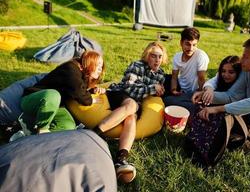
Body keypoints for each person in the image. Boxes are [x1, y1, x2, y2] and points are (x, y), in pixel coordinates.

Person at [93, 41, 167, 183]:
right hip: (119, 94)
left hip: (135, 104)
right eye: (153, 56)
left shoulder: (161, 75)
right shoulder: (137, 65)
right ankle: (93, 133)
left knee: (132, 118)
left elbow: (152, 96)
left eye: (160, 56)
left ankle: (121, 160)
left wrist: (159, 91)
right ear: (147, 55)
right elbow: (129, 89)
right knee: (132, 105)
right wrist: (152, 88)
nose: (157, 60)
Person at [12, 50, 105, 139]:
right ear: (89, 62)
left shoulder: (81, 74)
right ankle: (42, 129)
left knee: (67, 126)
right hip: (34, 99)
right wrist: (92, 100)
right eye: (98, 65)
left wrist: (93, 90)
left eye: (102, 66)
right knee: (54, 95)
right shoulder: (71, 68)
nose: (100, 69)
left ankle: (28, 135)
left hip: (56, 106)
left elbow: (79, 88)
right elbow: (79, 93)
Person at [164, 27, 209, 113]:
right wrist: (174, 90)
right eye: (187, 44)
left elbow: (201, 78)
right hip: (181, 87)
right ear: (181, 43)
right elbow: (174, 77)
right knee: (165, 78)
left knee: (167, 101)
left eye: (194, 45)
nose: (191, 48)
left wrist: (200, 94)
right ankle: (182, 103)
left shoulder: (201, 56)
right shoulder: (177, 56)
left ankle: (197, 107)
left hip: (194, 91)